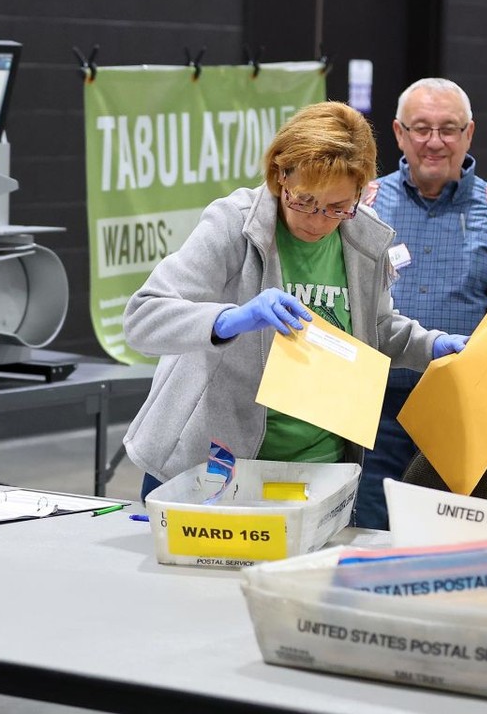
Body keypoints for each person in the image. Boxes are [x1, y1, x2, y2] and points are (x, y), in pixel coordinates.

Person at [122, 101, 469, 502]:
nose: (317, 220)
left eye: (338, 207)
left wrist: (431, 346)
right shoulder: (234, 224)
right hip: (214, 463)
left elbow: (374, 330)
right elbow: (142, 317)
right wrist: (230, 320)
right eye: (304, 200)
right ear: (279, 176)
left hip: (318, 466)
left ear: (360, 194)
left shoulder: (364, 238)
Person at [355, 77, 487, 529]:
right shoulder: (365, 204)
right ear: (400, 133)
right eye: (421, 128)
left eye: (448, 129)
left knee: (458, 540)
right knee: (370, 532)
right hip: (375, 416)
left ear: (468, 134)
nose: (434, 142)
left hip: (468, 416)